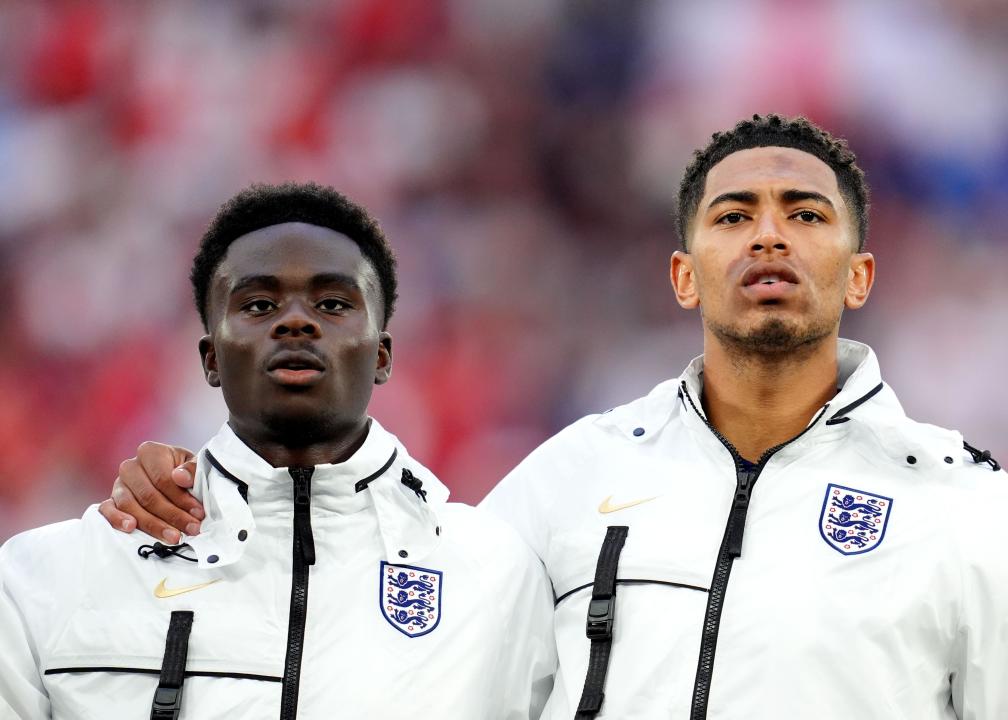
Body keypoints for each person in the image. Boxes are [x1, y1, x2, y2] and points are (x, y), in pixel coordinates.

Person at [99, 116, 1007, 719]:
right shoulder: (579, 474)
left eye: (806, 215)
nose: (769, 235)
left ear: (860, 274)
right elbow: (377, 594)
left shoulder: (966, 510)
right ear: (684, 274)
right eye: (734, 216)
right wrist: (209, 493)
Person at [0, 182, 555, 719]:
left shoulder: (497, 576)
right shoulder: (53, 577)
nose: (295, 321)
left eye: (334, 303)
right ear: (210, 358)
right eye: (260, 304)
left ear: (382, 355)